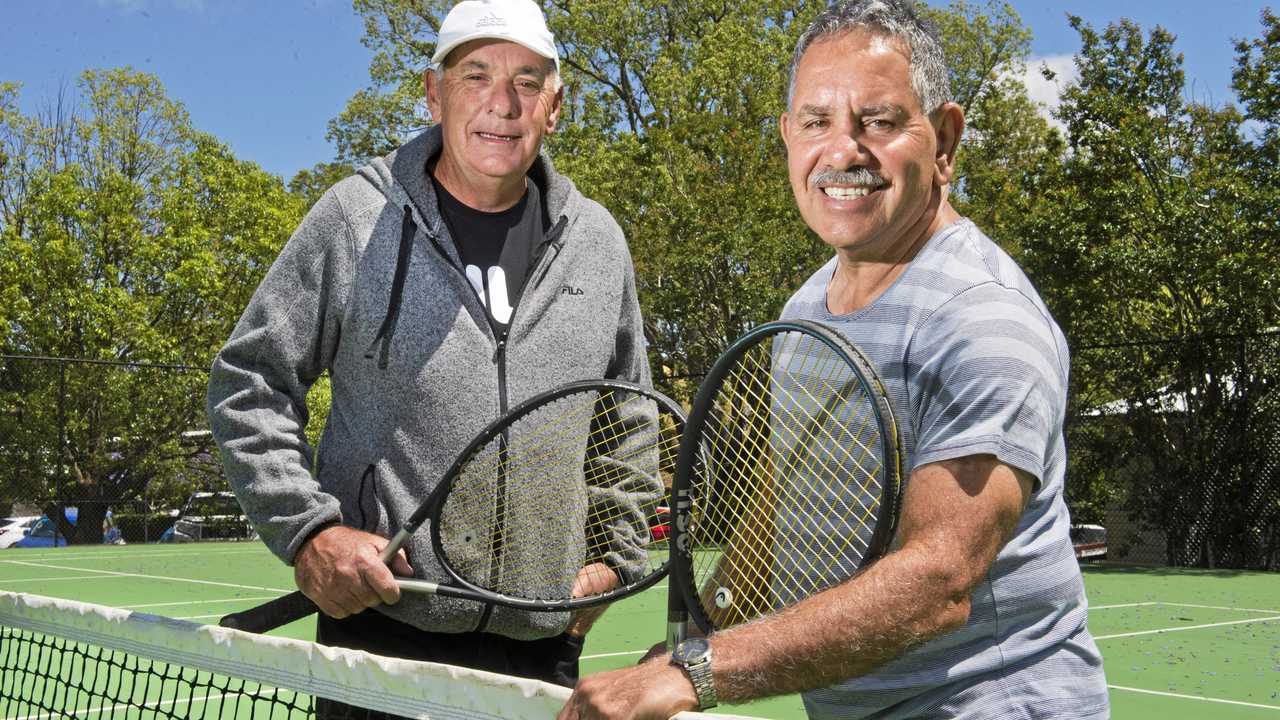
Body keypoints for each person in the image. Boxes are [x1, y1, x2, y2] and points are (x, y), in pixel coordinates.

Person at [560, 1, 1109, 718]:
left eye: (878, 121)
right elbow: (785, 501)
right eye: (816, 122)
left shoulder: (983, 317)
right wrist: (695, 637)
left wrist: (698, 674)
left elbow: (938, 581)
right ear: (789, 138)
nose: (843, 151)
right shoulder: (806, 309)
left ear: (944, 139)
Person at [206, 0, 655, 702]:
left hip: (544, 653)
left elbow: (627, 422)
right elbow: (249, 381)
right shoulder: (355, 217)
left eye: (528, 81)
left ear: (556, 105)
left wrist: (612, 566)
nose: (502, 104)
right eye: (476, 75)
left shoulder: (599, 243)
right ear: (434, 92)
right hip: (381, 641)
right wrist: (311, 534)